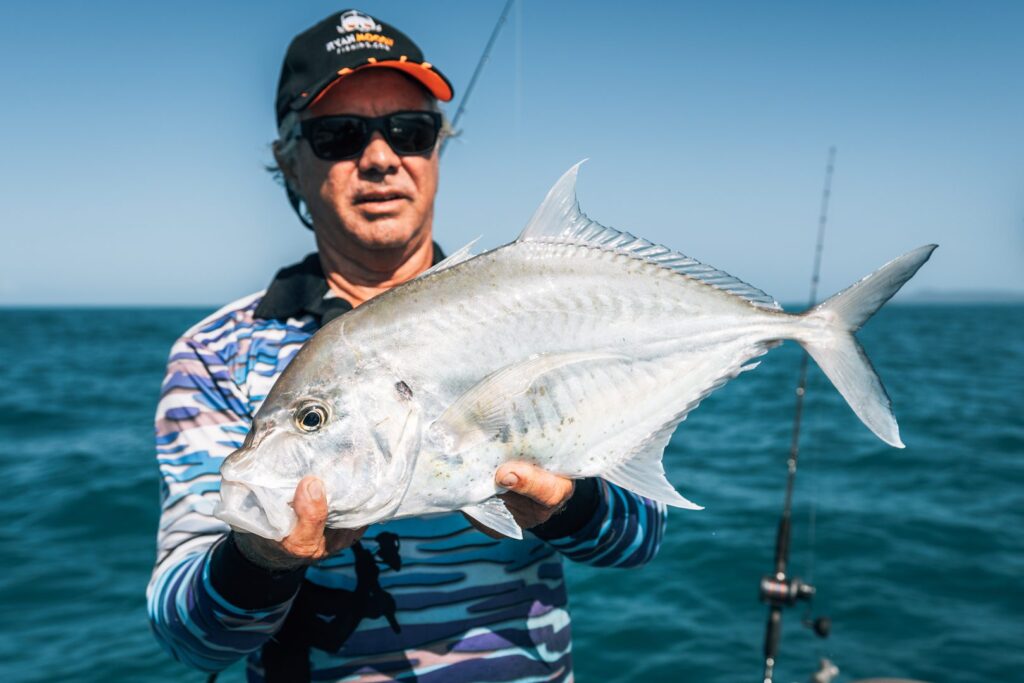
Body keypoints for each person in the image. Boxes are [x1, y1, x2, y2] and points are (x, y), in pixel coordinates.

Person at [147, 9, 666, 682]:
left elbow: (640, 538)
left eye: (409, 131)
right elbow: (188, 636)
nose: (381, 158)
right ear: (289, 161)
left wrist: (568, 506)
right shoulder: (217, 352)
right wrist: (259, 560)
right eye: (339, 135)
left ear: (437, 151)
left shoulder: (544, 314)